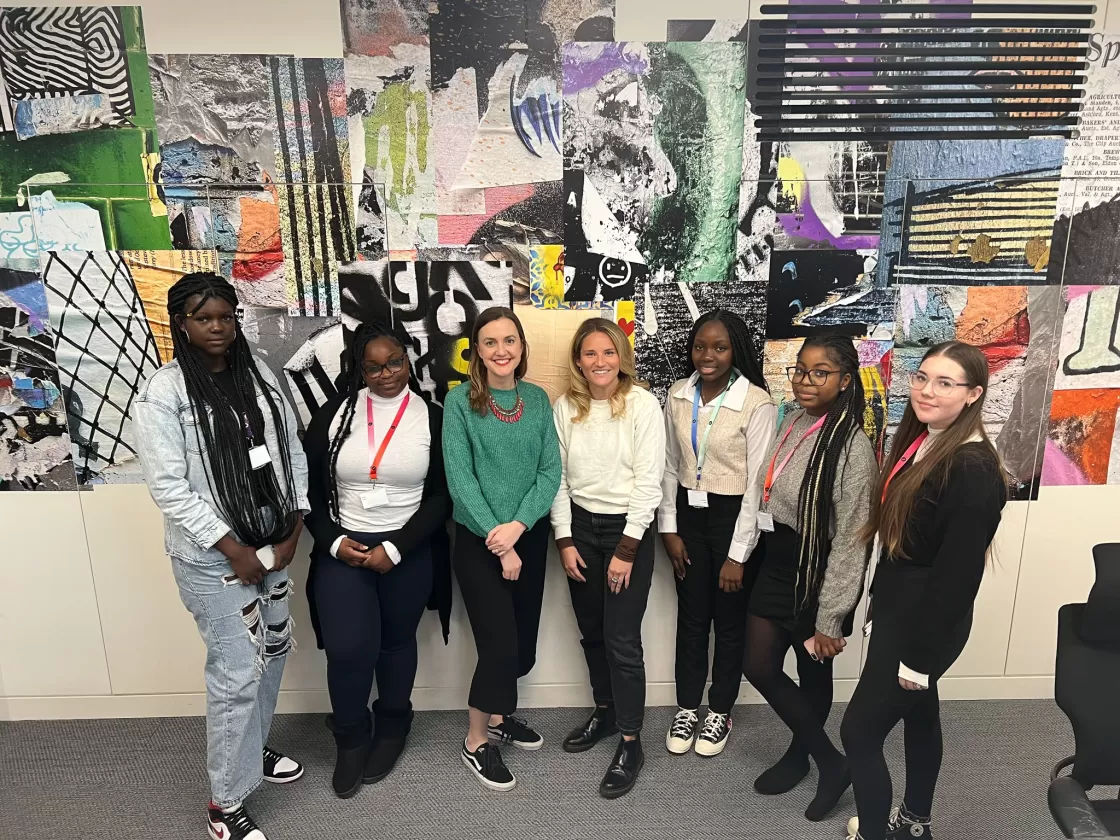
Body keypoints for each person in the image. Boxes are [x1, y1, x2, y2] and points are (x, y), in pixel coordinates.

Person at [133, 272, 308, 840]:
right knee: (235, 673)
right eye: (204, 318)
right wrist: (233, 549)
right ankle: (224, 802)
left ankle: (251, 751)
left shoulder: (255, 371)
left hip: (272, 545)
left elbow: (288, 447)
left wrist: (294, 524)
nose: (218, 328)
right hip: (215, 562)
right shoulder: (164, 394)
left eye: (226, 316)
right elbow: (168, 487)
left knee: (273, 652)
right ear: (181, 323)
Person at [841, 341, 1008, 840]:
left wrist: (919, 658)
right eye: (922, 377)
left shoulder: (971, 468)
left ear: (974, 394)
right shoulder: (926, 440)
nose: (926, 391)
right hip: (901, 608)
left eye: (945, 383)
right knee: (919, 714)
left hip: (925, 622)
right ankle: (915, 825)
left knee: (859, 733)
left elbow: (958, 578)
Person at [302, 322, 450, 799]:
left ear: (409, 362)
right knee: (348, 650)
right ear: (358, 369)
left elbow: (444, 496)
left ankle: (392, 727)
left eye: (395, 363)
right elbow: (308, 492)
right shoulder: (333, 415)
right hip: (344, 548)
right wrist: (331, 542)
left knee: (395, 643)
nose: (387, 374)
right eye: (374, 367)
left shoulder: (432, 417)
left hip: (406, 548)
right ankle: (351, 737)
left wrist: (398, 546)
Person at [742, 335, 876, 821]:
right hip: (778, 560)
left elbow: (852, 541)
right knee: (757, 665)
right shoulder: (793, 420)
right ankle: (830, 761)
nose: (805, 380)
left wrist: (832, 617)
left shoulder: (852, 447)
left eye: (820, 373)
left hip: (818, 571)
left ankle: (803, 754)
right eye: (800, 370)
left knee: (813, 669)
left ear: (844, 381)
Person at [443, 307, 562, 791]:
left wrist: (517, 528)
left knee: (522, 650)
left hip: (528, 539)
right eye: (490, 342)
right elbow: (460, 480)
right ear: (477, 350)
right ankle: (476, 741)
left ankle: (496, 718)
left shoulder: (536, 400)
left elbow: (549, 473)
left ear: (521, 347)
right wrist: (499, 537)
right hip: (477, 542)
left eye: (509, 340)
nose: (501, 350)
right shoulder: (459, 403)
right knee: (498, 646)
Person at [550, 318, 665, 798]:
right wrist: (564, 540)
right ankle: (605, 711)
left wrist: (627, 549)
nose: (600, 362)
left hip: (627, 530)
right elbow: (555, 476)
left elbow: (649, 481)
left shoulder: (641, 405)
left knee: (621, 639)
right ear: (578, 360)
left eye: (608, 352)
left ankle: (631, 740)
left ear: (622, 357)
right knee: (592, 632)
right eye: (590, 353)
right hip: (580, 527)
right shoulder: (565, 407)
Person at [658, 309, 777, 757]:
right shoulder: (677, 394)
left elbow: (757, 485)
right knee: (691, 620)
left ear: (735, 351)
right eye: (700, 346)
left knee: (729, 624)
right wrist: (668, 527)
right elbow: (669, 465)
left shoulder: (757, 402)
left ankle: (719, 710)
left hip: (734, 520)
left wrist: (738, 554)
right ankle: (688, 706)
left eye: (720, 347)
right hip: (688, 516)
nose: (707, 355)